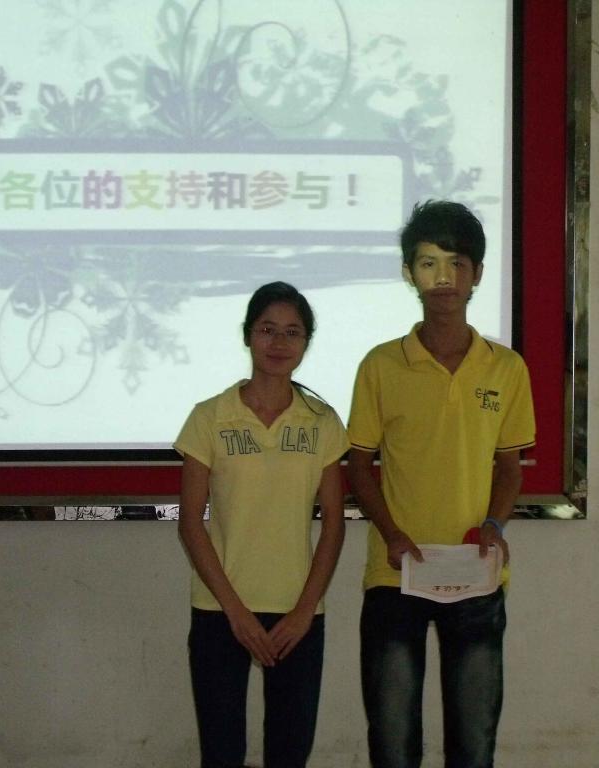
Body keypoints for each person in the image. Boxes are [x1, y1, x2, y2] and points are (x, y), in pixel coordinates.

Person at [346, 200, 536, 768]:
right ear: (410, 274)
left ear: (477, 273)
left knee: (474, 746)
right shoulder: (381, 365)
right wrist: (391, 533)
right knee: (392, 744)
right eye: (429, 263)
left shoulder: (506, 368)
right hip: (396, 575)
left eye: (457, 263)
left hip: (475, 572)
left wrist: (496, 525)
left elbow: (510, 465)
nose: (444, 277)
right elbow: (358, 464)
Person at [175, 281, 348, 768]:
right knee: (221, 753)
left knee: (290, 754)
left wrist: (304, 611)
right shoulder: (209, 417)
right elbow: (190, 523)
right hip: (220, 610)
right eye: (267, 329)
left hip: (298, 613)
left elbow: (335, 525)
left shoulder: (322, 422)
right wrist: (235, 612)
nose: (279, 342)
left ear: (306, 342)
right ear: (247, 335)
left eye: (292, 332)